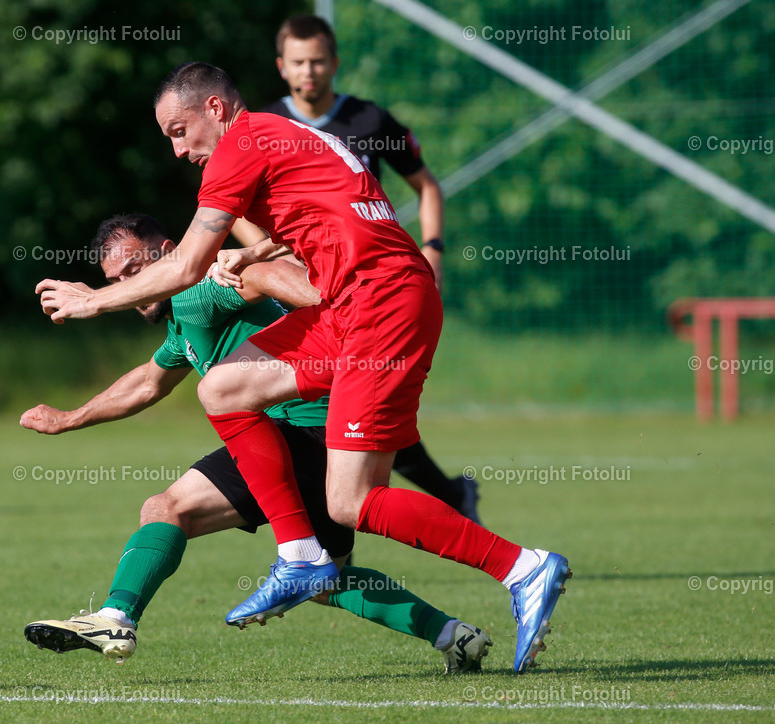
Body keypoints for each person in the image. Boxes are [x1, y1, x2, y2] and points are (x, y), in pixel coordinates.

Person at [35, 62, 569, 673]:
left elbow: (185, 267)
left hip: (379, 301)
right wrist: (256, 248)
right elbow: (326, 214)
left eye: (179, 131)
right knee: (225, 388)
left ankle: (522, 567)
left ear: (215, 107)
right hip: (360, 300)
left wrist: (91, 299)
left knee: (354, 502)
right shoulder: (276, 135)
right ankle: (302, 557)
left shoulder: (239, 146)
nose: (179, 150)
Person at [21, 214, 492, 673]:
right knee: (328, 580)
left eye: (134, 271)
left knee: (167, 509)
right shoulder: (184, 320)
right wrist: (68, 419)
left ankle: (115, 618)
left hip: (296, 433)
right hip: (321, 436)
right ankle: (454, 636)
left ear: (167, 253)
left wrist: (329, 306)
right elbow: (148, 382)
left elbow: (265, 274)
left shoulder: (203, 292)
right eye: (115, 278)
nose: (128, 284)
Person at [235, 13, 476, 522]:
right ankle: (323, 534)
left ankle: (316, 543)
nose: (310, 72)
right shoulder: (265, 127)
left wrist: (433, 247)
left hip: (367, 283)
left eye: (319, 61)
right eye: (299, 62)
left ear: (335, 63)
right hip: (302, 282)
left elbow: (427, 185)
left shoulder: (369, 121)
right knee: (347, 403)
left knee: (359, 403)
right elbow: (233, 207)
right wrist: (265, 254)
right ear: (282, 67)